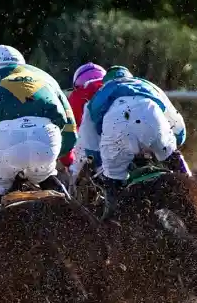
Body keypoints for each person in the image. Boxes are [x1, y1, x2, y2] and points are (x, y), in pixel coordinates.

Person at [0, 45, 77, 238]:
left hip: (6, 145)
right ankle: (77, 232)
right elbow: (71, 133)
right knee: (51, 182)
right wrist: (55, 155)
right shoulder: (47, 78)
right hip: (46, 141)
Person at [72, 66, 189, 218]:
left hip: (117, 132)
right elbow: (180, 131)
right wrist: (171, 148)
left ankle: (110, 219)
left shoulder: (97, 97)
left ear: (106, 82)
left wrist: (102, 165)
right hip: (153, 124)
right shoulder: (148, 86)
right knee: (174, 159)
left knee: (112, 182)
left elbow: (90, 147)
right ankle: (191, 182)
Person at [59, 62, 106, 169]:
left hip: (93, 148)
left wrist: (67, 161)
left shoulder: (78, 95)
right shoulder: (114, 87)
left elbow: (67, 133)